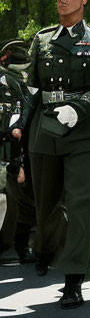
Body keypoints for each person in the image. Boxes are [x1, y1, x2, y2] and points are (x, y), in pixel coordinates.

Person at [23, 0, 90, 308]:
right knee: (45, 202)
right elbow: (32, 87)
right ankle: (46, 249)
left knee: (80, 202)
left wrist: (80, 108)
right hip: (44, 129)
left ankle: (73, 278)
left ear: (84, 0)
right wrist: (23, 125)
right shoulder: (41, 38)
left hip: (81, 129)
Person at [0, 39, 35, 263]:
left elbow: (24, 111)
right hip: (8, 150)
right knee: (9, 200)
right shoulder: (10, 83)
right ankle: (11, 245)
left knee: (20, 200)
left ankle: (18, 246)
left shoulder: (20, 83)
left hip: (19, 150)